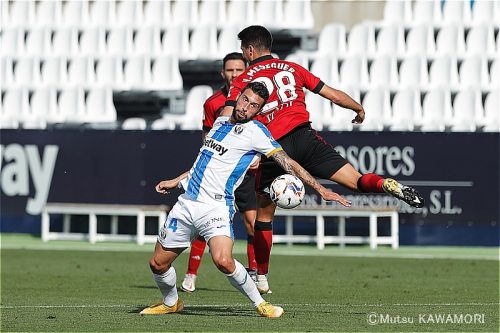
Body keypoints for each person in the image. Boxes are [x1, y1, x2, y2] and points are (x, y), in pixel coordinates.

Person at [221, 25, 425, 294]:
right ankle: (386, 184)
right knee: (356, 181)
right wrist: (358, 108)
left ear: (248, 50)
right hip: (306, 137)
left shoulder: (245, 77)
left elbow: (227, 117)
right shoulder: (293, 68)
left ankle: (262, 276)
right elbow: (332, 94)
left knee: (264, 213)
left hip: (275, 147)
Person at [140, 82, 351, 318]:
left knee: (222, 260)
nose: (246, 107)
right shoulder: (220, 122)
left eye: (253, 105)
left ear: (258, 111)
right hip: (187, 204)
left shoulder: (256, 132)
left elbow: (287, 162)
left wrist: (320, 188)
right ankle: (171, 303)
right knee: (157, 264)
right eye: (245, 100)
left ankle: (261, 304)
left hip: (216, 207)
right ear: (238, 97)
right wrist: (176, 180)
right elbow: (203, 163)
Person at [181, 52, 259, 293]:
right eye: (230, 70)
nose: (234, 74)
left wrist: (257, 156)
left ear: (246, 71)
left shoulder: (255, 100)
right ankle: (191, 273)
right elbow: (207, 136)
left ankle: (256, 274)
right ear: (222, 73)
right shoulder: (213, 102)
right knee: (206, 222)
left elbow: (261, 133)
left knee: (252, 225)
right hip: (216, 175)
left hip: (242, 172)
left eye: (239, 70)